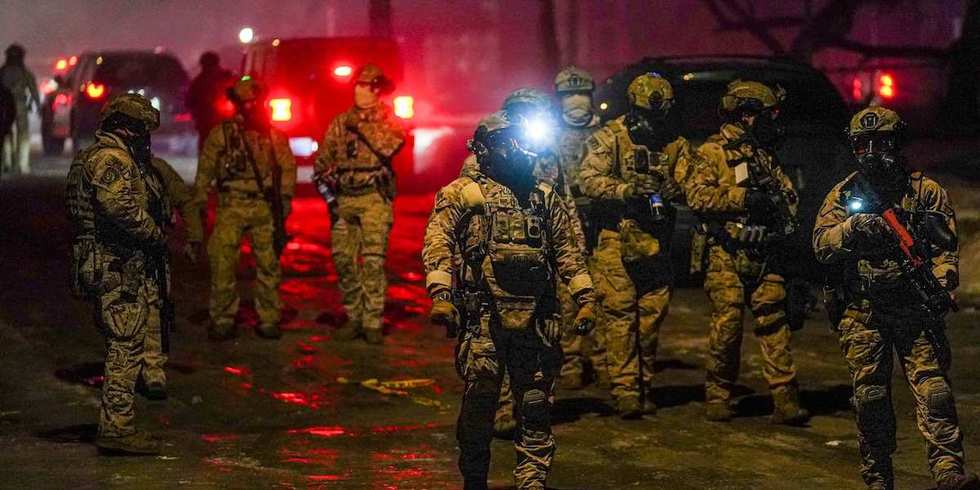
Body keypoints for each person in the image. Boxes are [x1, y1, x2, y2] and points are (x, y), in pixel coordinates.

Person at [423, 111, 597, 489]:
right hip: (484, 317)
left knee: (534, 405)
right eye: (507, 143)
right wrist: (441, 295)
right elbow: (438, 242)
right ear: (484, 149)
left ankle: (532, 483)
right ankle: (474, 478)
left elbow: (567, 252)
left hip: (535, 319)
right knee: (480, 404)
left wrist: (585, 297)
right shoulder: (463, 194)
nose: (517, 150)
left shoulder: (542, 195)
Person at [814, 106, 980, 490]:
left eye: (881, 142)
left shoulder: (925, 192)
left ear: (897, 143)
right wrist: (853, 229)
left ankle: (947, 473)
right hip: (864, 312)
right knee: (870, 399)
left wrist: (941, 282)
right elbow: (822, 246)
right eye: (863, 144)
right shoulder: (843, 195)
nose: (872, 152)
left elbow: (945, 250)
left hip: (913, 310)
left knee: (935, 392)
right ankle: (878, 477)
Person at [683, 80, 809, 425]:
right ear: (745, 114)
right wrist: (742, 199)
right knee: (729, 324)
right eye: (766, 114)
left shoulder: (764, 154)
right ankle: (718, 395)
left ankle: (785, 399)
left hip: (765, 250)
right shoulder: (713, 152)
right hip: (725, 249)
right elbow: (696, 196)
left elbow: (787, 200)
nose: (772, 121)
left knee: (774, 320)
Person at [579, 72, 691, 418]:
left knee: (650, 319)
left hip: (656, 242)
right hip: (616, 239)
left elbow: (695, 183)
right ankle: (626, 389)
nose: (653, 122)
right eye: (646, 114)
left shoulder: (676, 144)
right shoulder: (609, 138)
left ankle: (642, 383)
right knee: (619, 316)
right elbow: (588, 179)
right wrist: (626, 190)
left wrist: (677, 189)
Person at [65, 94, 169, 455]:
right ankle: (118, 428)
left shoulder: (94, 157)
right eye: (141, 129)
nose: (145, 137)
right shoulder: (112, 159)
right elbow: (120, 209)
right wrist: (154, 235)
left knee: (122, 344)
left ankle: (117, 425)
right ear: (127, 128)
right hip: (116, 266)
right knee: (125, 348)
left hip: (108, 264)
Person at [191, 77, 296, 341]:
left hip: (263, 207)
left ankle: (269, 317)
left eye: (253, 101)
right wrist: (201, 201)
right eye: (244, 101)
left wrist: (283, 202)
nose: (249, 106)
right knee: (223, 264)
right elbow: (205, 170)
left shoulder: (273, 136)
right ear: (236, 104)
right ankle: (223, 317)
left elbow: (287, 170)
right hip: (231, 205)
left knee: (268, 266)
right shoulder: (222, 134)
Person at [315, 64, 405, 345]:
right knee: (343, 260)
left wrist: (365, 125)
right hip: (345, 198)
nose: (359, 90)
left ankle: (372, 320)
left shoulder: (389, 120)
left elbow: (391, 145)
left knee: (373, 261)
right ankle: (354, 316)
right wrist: (325, 176)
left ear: (377, 90)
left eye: (365, 86)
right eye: (357, 85)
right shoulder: (341, 122)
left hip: (373, 199)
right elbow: (323, 158)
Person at [553, 66, 608, 391]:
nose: (575, 101)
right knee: (567, 298)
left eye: (581, 95)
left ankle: (602, 362)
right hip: (566, 226)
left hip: (601, 223)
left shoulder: (606, 134)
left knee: (602, 293)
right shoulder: (549, 137)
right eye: (568, 95)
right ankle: (571, 361)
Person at [137, 155, 201, 400]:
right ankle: (125, 369)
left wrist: (194, 238)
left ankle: (153, 370)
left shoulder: (156, 168)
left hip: (152, 251)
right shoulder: (108, 164)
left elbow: (184, 200)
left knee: (154, 309)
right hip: (119, 253)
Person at [0, 44, 40, 175]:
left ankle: (7, 162)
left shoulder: (2, 71)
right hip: (19, 105)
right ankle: (22, 165)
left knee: (6, 134)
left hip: (5, 106)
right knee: (23, 134)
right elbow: (33, 90)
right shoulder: (25, 73)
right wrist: (37, 106)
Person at [186, 51, 234, 152]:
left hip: (214, 123)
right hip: (212, 124)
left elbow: (189, 102)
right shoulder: (225, 77)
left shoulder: (199, 82)